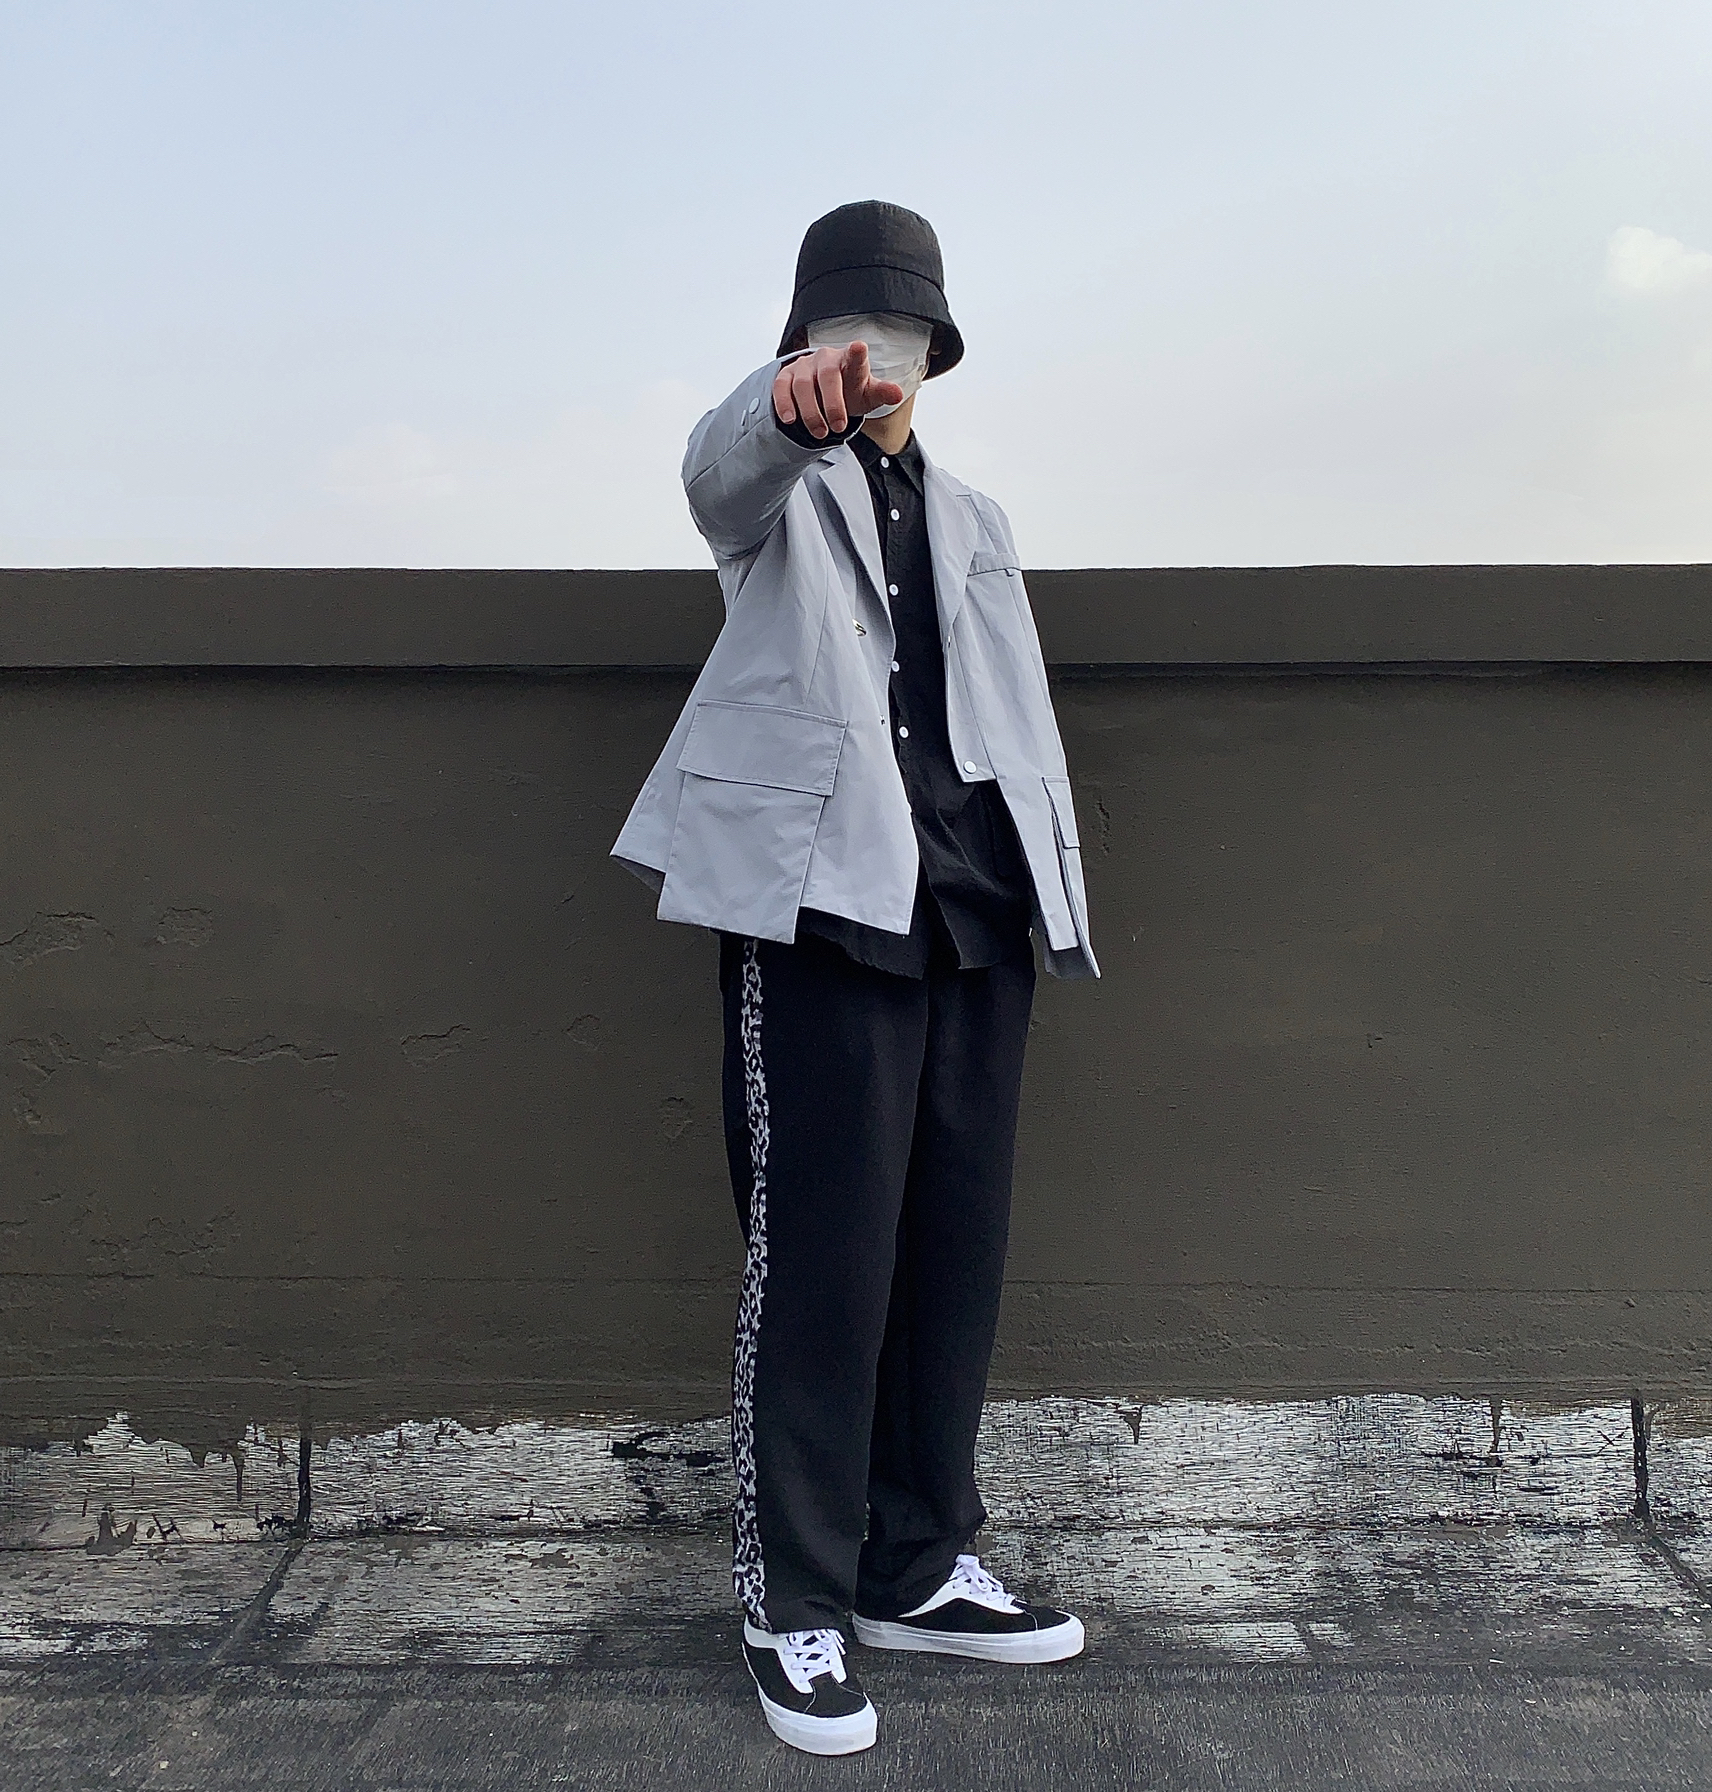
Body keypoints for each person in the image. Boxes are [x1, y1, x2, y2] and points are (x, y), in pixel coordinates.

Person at [611, 200, 1099, 1756]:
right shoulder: (773, 489)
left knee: (952, 1250)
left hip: (976, 906)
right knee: (820, 1259)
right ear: (803, 344)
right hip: (821, 901)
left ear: (935, 353)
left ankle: (915, 1562)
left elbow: (1007, 708)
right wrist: (779, 411)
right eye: (844, 329)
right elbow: (710, 474)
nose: (873, 353)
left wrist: (1047, 882)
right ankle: (796, 1597)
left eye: (898, 330)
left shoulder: (977, 518)